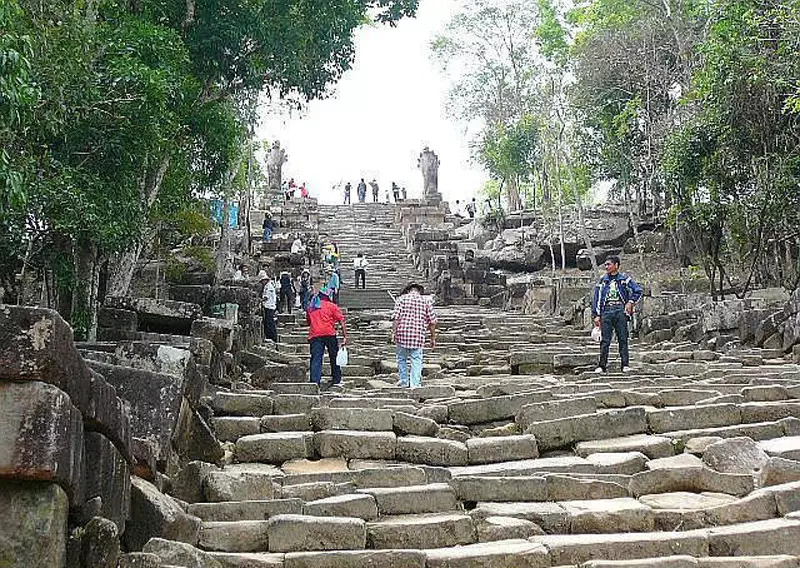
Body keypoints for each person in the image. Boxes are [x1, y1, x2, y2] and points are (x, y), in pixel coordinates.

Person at [591, 255, 643, 374]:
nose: (606, 267)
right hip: (606, 311)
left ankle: (625, 364)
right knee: (605, 340)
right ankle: (602, 365)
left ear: (616, 265)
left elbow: (638, 290)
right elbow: (597, 298)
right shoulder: (603, 281)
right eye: (605, 265)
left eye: (609, 264)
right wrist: (597, 314)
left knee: (623, 338)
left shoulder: (624, 279)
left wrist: (630, 302)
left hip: (620, 310)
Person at [392, 283, 437, 388]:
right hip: (418, 334)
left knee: (401, 358)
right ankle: (415, 384)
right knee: (416, 359)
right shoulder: (426, 301)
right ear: (419, 291)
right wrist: (432, 338)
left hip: (402, 333)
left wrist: (393, 332)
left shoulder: (401, 299)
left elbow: (396, 318)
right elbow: (433, 321)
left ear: (408, 290)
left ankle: (404, 381)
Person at [306, 285, 348, 387]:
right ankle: (336, 378)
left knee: (316, 358)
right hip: (329, 333)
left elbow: (308, 321)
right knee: (334, 356)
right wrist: (345, 336)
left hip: (315, 334)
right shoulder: (332, 306)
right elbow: (341, 321)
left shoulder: (312, 306)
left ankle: (315, 381)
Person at [259, 271, 278, 343]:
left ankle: (273, 337)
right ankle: (269, 336)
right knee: (267, 322)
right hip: (267, 306)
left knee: (270, 322)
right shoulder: (267, 286)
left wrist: (260, 300)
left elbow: (266, 297)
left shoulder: (269, 286)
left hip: (269, 306)